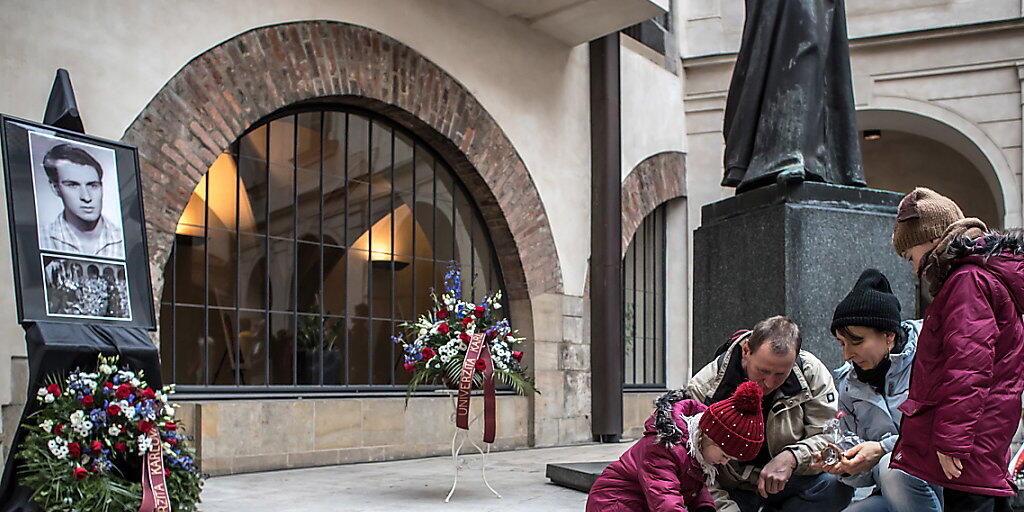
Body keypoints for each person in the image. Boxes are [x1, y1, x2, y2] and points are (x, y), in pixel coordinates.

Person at [889, 187, 1024, 511]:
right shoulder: (978, 277)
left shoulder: (967, 281)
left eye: (911, 256)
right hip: (983, 433)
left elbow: (968, 366)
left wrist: (952, 440)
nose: (913, 268)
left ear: (933, 238)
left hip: (970, 440)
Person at [688, 316, 853, 512]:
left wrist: (792, 457)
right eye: (762, 371)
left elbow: (831, 436)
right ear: (747, 350)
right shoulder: (704, 388)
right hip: (730, 489)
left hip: (790, 480)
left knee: (836, 486)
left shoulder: (812, 372)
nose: (769, 383)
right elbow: (694, 468)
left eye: (780, 374)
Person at [817, 268, 942, 512]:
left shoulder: (928, 359)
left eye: (857, 341)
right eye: (842, 343)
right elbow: (865, 478)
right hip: (890, 491)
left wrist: (883, 449)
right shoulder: (848, 385)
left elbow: (942, 431)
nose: (847, 354)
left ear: (888, 336)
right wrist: (848, 466)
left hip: (944, 481)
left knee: (891, 467)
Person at [587, 381, 766, 511]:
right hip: (613, 504)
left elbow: (694, 487)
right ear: (708, 435)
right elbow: (666, 499)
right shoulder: (664, 447)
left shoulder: (697, 451)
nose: (724, 462)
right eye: (725, 455)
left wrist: (704, 508)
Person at [39, 143, 124, 258]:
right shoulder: (42, 238)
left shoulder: (124, 239)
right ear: (56, 188)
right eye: (73, 185)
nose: (87, 197)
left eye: (93, 186)